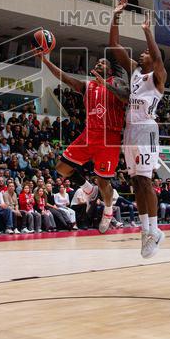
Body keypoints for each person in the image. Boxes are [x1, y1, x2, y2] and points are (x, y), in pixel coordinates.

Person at [39, 49, 125, 235]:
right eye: (98, 62)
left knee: (104, 182)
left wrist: (106, 85)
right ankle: (88, 189)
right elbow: (64, 77)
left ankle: (108, 212)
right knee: (61, 167)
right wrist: (46, 61)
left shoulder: (116, 82)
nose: (98, 64)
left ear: (109, 70)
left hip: (109, 137)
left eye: (103, 63)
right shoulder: (88, 86)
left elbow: (125, 97)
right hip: (89, 134)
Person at [109, 0, 166, 257]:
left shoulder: (157, 78)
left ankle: (154, 229)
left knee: (145, 180)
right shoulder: (133, 71)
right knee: (135, 181)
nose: (141, 53)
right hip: (130, 129)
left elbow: (156, 55)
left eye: (144, 53)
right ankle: (146, 230)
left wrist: (147, 31)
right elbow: (113, 45)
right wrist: (116, 15)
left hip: (146, 130)